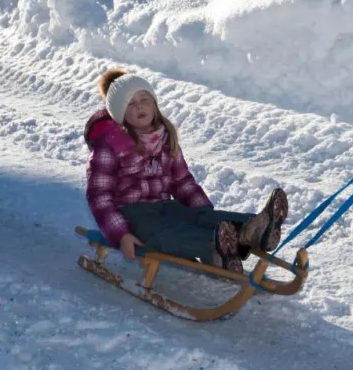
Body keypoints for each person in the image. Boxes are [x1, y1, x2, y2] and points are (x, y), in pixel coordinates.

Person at [85, 68, 287, 269]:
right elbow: (99, 197)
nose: (139, 107)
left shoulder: (164, 137)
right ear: (120, 112)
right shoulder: (109, 145)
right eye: (130, 103)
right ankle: (215, 247)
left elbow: (182, 181)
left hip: (165, 206)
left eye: (144, 99)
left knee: (195, 216)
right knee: (168, 231)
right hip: (131, 215)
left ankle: (252, 229)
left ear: (154, 104)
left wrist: (206, 214)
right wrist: (121, 234)